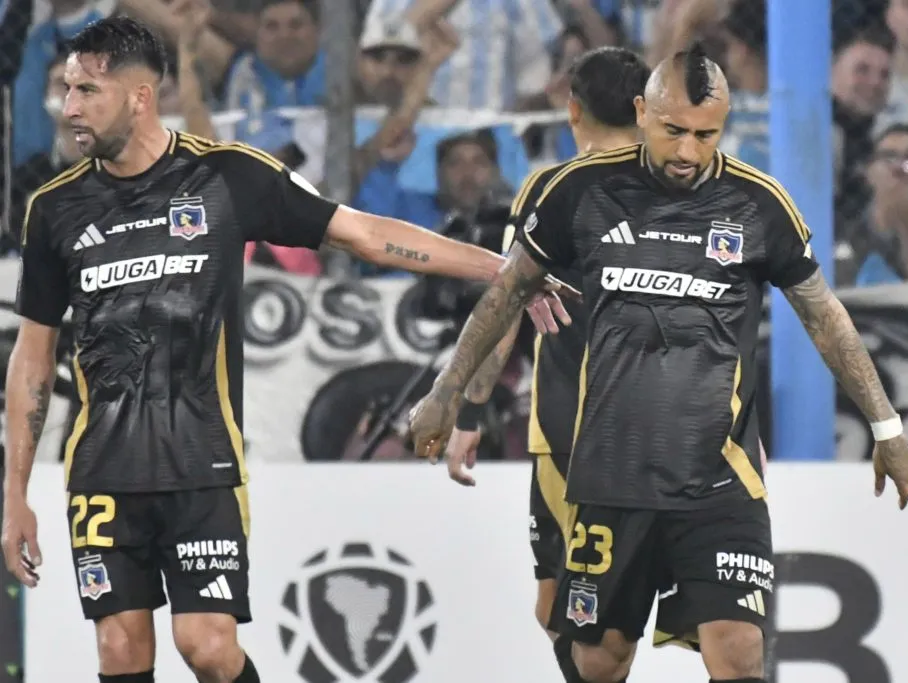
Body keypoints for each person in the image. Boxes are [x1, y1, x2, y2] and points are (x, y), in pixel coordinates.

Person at [0, 16, 570, 683]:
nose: (69, 107)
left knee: (207, 647)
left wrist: (504, 270)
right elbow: (32, 355)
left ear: (138, 97)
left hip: (201, 463)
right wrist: (14, 493)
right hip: (100, 469)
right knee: (120, 653)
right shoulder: (54, 209)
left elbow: (365, 235)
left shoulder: (226, 177)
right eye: (67, 89)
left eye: (87, 91)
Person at [409, 44, 908, 683]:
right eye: (673, 130)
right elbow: (507, 291)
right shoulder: (579, 191)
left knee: (738, 653)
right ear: (642, 111)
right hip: (612, 473)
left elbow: (824, 315)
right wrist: (446, 393)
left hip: (719, 476)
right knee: (598, 660)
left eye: (706, 135)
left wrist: (886, 427)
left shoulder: (759, 204)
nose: (687, 151)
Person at [439, 43, 650, 650]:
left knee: (571, 609)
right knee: (569, 607)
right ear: (644, 110)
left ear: (572, 110)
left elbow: (507, 304)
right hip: (661, 420)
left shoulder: (549, 186)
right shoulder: (683, 185)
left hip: (570, 422)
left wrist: (470, 414)